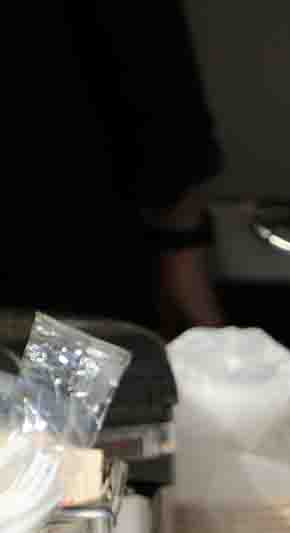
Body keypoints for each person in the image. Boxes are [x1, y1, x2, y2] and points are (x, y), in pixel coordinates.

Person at [6, 0, 225, 335]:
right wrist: (183, 250)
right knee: (61, 382)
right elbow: (154, 73)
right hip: (65, 276)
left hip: (61, 264)